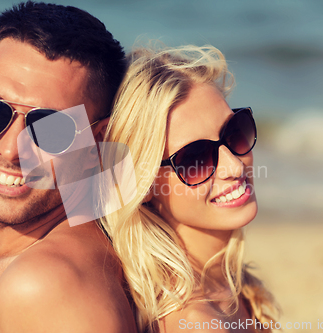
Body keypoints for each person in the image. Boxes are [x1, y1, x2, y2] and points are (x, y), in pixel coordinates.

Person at [0, 2, 137, 332]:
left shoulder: (46, 285)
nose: (10, 150)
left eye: (49, 129)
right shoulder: (27, 259)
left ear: (98, 140)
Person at [99, 44, 280, 332]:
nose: (234, 167)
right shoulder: (197, 321)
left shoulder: (229, 283)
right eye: (195, 159)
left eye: (235, 132)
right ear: (143, 185)